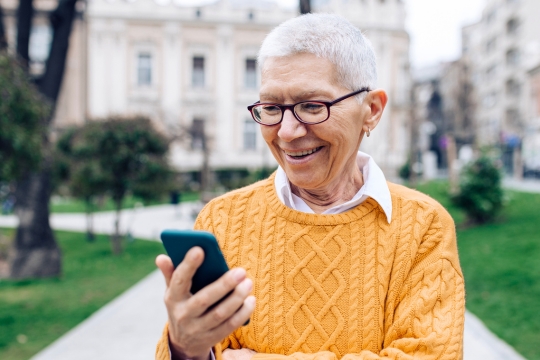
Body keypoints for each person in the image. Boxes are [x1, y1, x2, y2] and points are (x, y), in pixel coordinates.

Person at [155, 13, 464, 360]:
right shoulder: (221, 220)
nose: (286, 131)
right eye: (271, 107)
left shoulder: (423, 226)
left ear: (372, 110)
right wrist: (184, 348)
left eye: (312, 106)